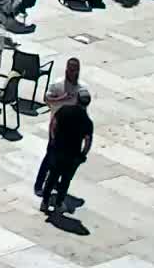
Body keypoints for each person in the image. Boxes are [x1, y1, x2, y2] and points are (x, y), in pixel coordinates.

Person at [38, 87, 92, 215]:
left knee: (52, 176)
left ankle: (45, 202)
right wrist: (83, 154)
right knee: (65, 180)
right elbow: (88, 140)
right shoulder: (86, 121)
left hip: (58, 149)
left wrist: (53, 140)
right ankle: (58, 203)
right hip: (72, 154)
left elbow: (53, 124)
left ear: (77, 99)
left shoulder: (64, 110)